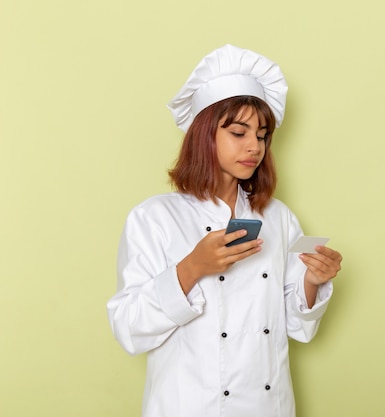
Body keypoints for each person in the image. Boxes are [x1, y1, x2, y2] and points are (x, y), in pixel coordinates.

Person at [106, 44, 343, 417]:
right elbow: (129, 329)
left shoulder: (279, 217)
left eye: (262, 135)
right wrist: (192, 268)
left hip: (268, 406)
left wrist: (313, 281)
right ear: (204, 135)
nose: (255, 146)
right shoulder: (153, 217)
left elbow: (298, 328)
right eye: (238, 132)